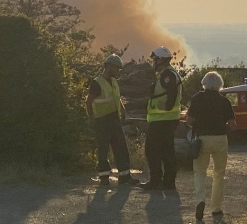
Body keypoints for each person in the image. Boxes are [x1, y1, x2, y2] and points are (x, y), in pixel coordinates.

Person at [186, 71, 237, 220]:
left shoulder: (196, 98)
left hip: (202, 139)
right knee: (219, 174)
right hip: (220, 139)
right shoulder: (224, 101)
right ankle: (216, 208)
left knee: (199, 172)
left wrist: (198, 125)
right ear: (219, 85)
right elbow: (233, 125)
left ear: (204, 83)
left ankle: (200, 200)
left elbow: (189, 120)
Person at [85, 54, 140, 187]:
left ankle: (125, 176)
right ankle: (104, 178)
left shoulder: (114, 81)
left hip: (114, 118)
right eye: (115, 68)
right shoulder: (97, 82)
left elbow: (117, 98)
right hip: (101, 120)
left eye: (118, 69)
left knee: (121, 147)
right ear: (107, 66)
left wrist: (123, 111)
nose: (117, 71)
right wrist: (91, 118)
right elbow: (88, 101)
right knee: (103, 149)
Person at [141, 46, 182, 191]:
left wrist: (168, 107)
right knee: (166, 151)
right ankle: (167, 183)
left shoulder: (168, 75)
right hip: (164, 120)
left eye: (155, 59)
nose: (153, 62)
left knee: (152, 151)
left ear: (161, 60)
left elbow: (171, 94)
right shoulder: (166, 74)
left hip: (163, 120)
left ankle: (157, 181)